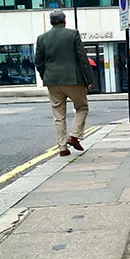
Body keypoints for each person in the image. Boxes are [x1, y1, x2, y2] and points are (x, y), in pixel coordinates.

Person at [34, 9, 95, 156]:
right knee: (82, 108)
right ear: (64, 21)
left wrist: (46, 76)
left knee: (58, 115)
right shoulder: (73, 34)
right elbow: (82, 58)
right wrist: (89, 79)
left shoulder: (41, 38)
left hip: (52, 81)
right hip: (74, 80)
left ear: (50, 22)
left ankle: (62, 148)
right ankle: (74, 136)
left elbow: (38, 63)